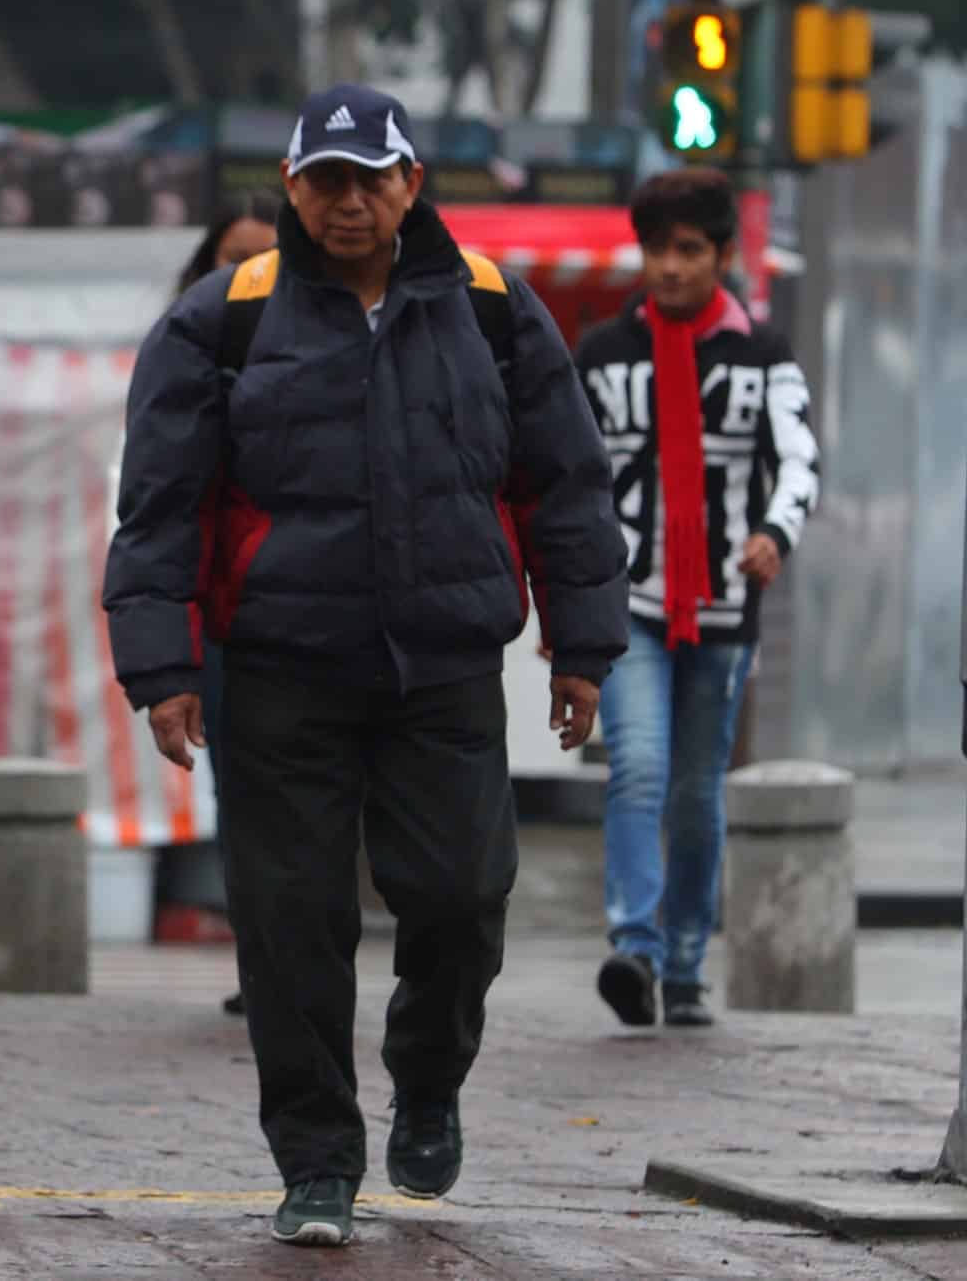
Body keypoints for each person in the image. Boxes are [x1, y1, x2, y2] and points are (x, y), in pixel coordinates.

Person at [103, 85, 629, 1247]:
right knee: (291, 923)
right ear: (293, 187)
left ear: (410, 184)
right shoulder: (223, 316)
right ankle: (317, 1160)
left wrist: (581, 641)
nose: (348, 200)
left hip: (442, 670)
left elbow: (565, 483)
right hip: (282, 672)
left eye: (369, 177)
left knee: (460, 895)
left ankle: (428, 1079)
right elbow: (159, 511)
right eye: (325, 179)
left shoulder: (495, 309)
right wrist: (163, 667)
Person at [575, 168, 819, 1030]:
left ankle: (683, 962)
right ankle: (636, 947)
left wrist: (775, 534)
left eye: (688, 251)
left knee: (697, 787)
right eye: (655, 250)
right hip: (629, 598)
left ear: (722, 255)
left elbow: (801, 460)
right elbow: (569, 478)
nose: (669, 268)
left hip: (723, 607)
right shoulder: (602, 355)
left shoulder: (764, 353)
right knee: (638, 768)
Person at [169, 194, 280, 1019]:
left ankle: (298, 953)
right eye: (229, 257)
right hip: (218, 612)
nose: (246, 274)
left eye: (264, 258)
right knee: (239, 788)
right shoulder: (180, 353)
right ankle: (263, 955)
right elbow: (152, 506)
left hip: (309, 610)